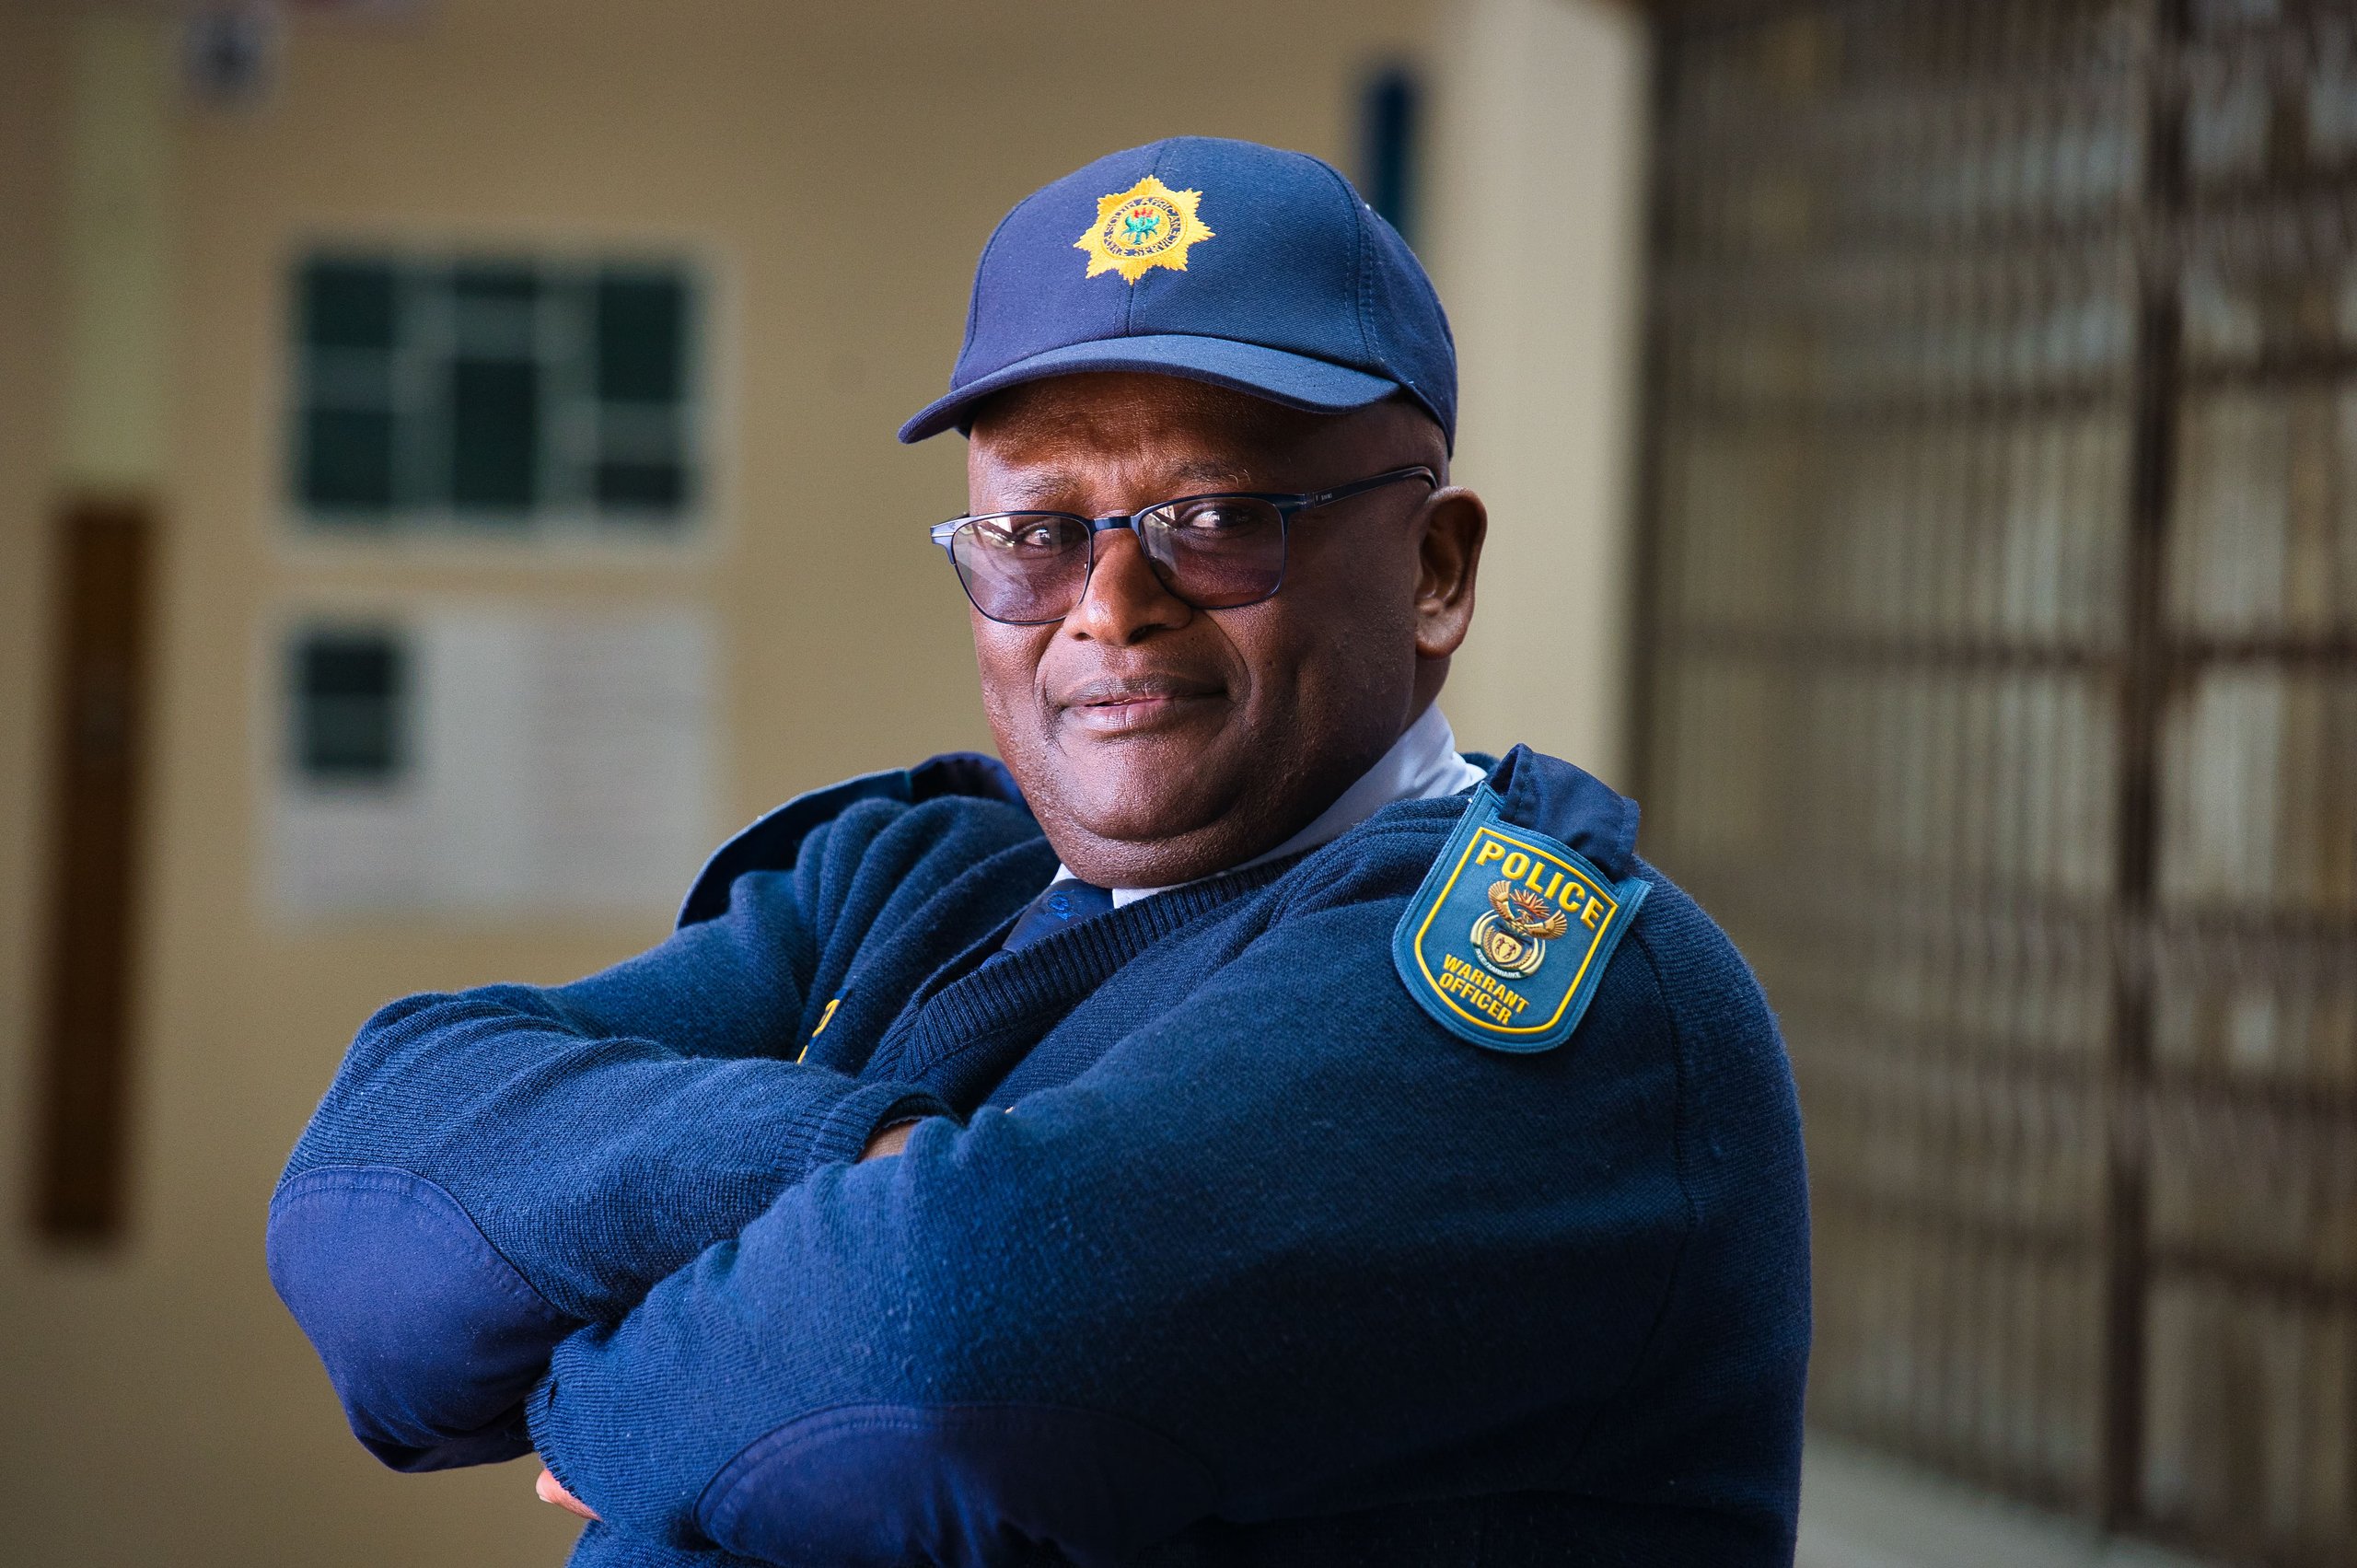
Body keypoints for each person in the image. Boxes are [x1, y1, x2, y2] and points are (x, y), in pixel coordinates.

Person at [269, 137, 1809, 1568]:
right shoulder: (914, 884)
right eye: (1035, 534)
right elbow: (372, 1207)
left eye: (1217, 517)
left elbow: (950, 1343)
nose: (1109, 606)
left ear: (1434, 570)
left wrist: (592, 1377)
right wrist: (859, 1164)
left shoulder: (1563, 1000)